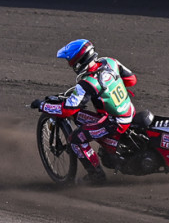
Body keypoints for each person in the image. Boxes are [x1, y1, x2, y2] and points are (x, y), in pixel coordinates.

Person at [35, 39, 137, 185]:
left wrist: (42, 106)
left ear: (78, 61)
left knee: (76, 139)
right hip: (128, 111)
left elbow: (66, 110)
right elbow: (131, 80)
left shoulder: (87, 82)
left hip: (115, 122)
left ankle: (96, 176)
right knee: (79, 115)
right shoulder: (110, 62)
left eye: (70, 61)